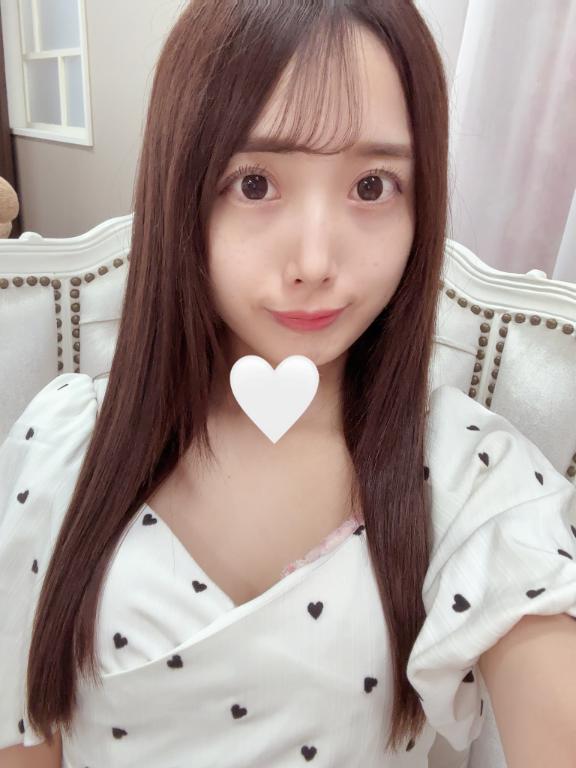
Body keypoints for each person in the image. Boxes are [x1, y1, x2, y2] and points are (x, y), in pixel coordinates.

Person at [1, 1, 575, 766]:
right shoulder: (64, 448)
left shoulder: (466, 476)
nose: (314, 261)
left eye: (372, 186)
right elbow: (25, 738)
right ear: (181, 191)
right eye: (254, 183)